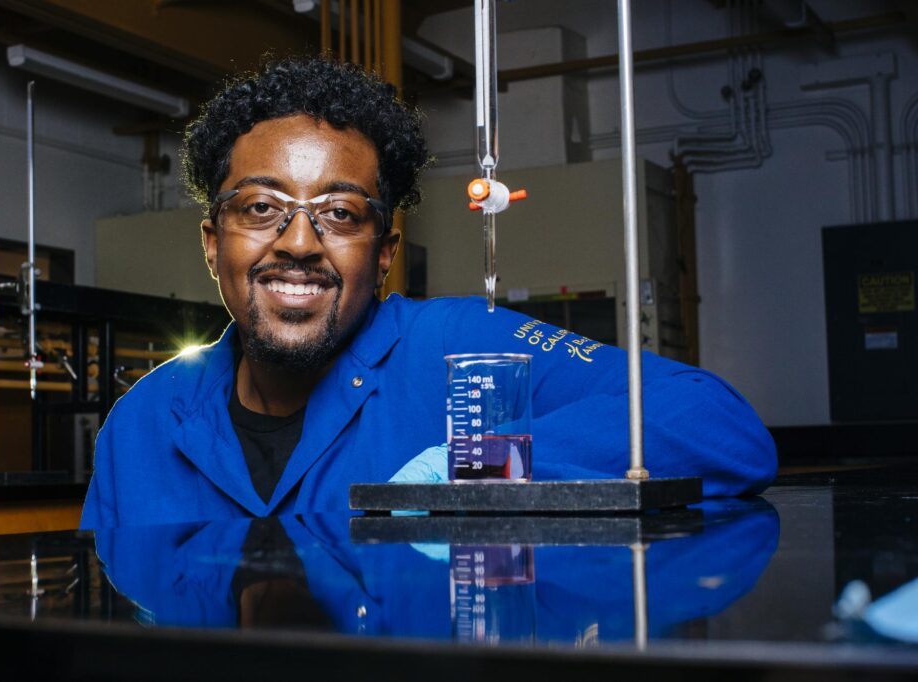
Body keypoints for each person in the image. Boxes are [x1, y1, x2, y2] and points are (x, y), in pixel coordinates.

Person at [80, 57, 776, 528]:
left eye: (340, 214)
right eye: (261, 208)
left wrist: (472, 469)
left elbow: (719, 425)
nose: (298, 242)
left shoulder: (462, 349)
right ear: (213, 244)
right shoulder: (142, 426)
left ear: (384, 255)